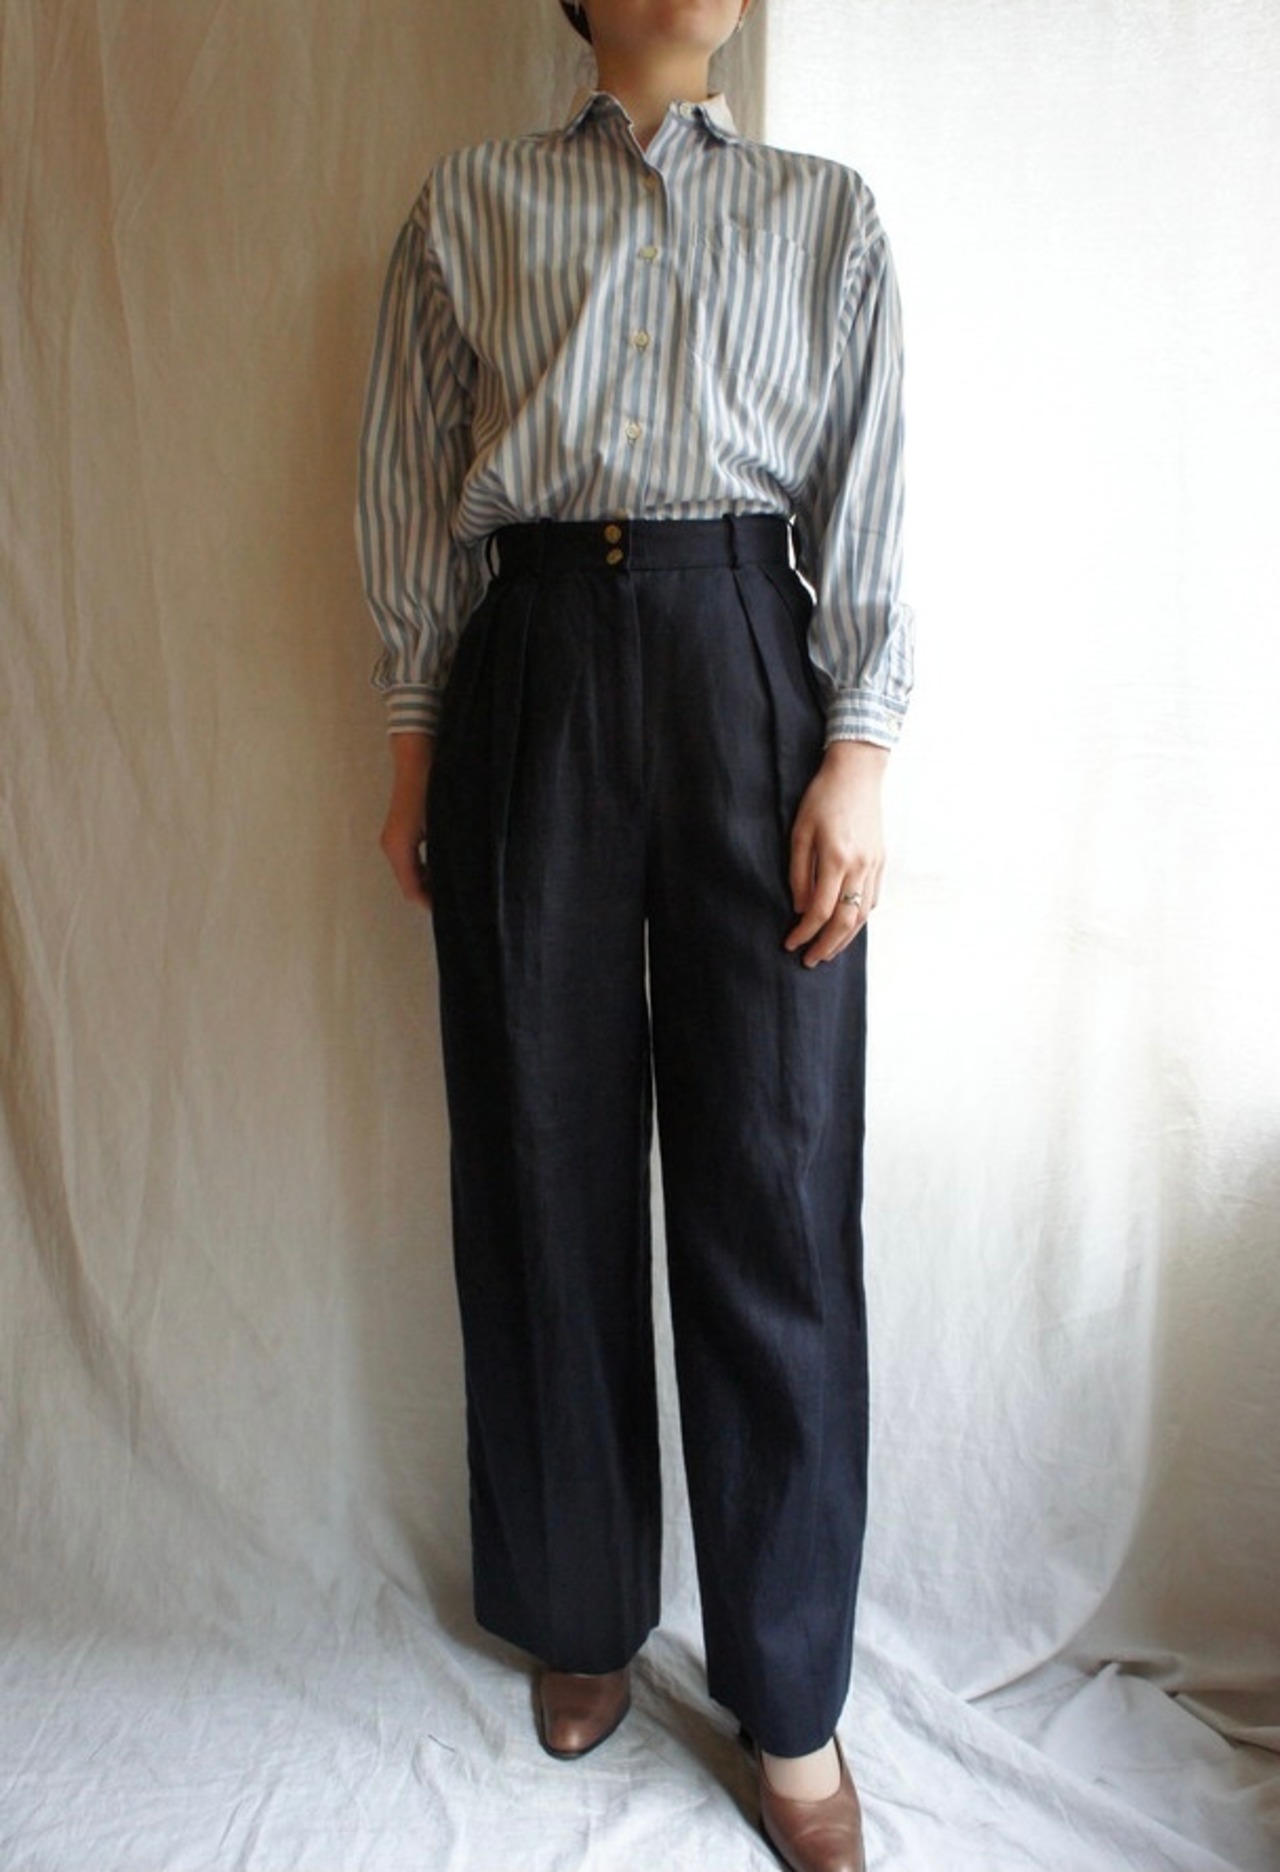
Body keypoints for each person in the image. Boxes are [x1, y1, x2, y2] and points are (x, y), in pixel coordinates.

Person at [357, 2, 913, 1866]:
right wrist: (418, 743)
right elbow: (409, 487)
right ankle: (581, 1607)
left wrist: (859, 750)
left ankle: (790, 1693)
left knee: (775, 1179)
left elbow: (867, 493)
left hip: (751, 660)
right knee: (541, 1154)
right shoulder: (470, 201)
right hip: (533, 664)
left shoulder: (825, 212)